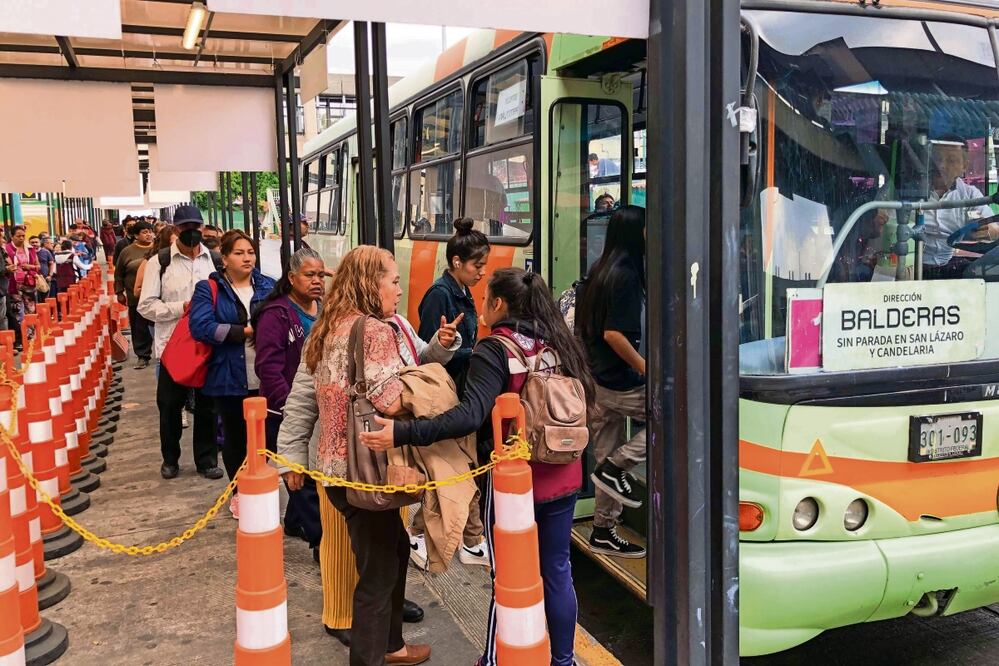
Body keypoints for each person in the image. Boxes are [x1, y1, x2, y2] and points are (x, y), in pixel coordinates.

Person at [360, 267, 595, 666]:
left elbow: (469, 416)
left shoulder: (497, 349)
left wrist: (403, 432)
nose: (482, 305)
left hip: (514, 485)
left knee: (507, 578)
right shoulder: (560, 343)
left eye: (486, 298)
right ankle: (564, 660)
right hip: (566, 474)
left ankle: (492, 659)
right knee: (558, 570)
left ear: (499, 304)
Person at [300, 245, 430, 666]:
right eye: (394, 280)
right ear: (371, 284)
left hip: (336, 469)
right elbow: (389, 400)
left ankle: (393, 646)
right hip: (366, 470)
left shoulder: (330, 325)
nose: (399, 289)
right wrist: (430, 392)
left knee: (393, 550)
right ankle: (374, 655)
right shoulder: (373, 330)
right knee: (377, 574)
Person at [575, 205, 647, 558]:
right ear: (636, 233)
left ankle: (603, 530)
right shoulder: (627, 275)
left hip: (598, 380)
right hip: (621, 382)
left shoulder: (600, 270)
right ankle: (619, 465)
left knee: (604, 452)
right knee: (676, 419)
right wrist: (645, 367)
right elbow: (614, 334)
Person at [189, 229, 275, 517]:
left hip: (265, 376)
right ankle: (239, 492)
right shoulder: (209, 288)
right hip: (228, 376)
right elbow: (201, 327)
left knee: (267, 438)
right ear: (224, 258)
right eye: (239, 253)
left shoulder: (267, 285)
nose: (247, 258)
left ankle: (263, 487)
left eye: (250, 252)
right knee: (236, 438)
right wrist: (244, 332)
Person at [138, 205, 224, 481]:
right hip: (172, 348)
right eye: (186, 227)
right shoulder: (160, 262)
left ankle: (206, 460)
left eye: (195, 227)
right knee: (169, 407)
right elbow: (145, 306)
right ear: (176, 229)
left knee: (208, 407)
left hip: (207, 346)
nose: (191, 232)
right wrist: (182, 308)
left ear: (202, 227)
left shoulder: (215, 261)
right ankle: (170, 459)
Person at [252, 246, 325, 535]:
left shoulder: (324, 308)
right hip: (283, 409)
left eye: (321, 274)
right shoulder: (276, 314)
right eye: (309, 275)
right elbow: (268, 368)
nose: (317, 280)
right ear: (292, 278)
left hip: (315, 406)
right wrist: (290, 405)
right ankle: (319, 537)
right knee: (300, 475)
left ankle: (295, 523)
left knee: (306, 469)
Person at [417, 218, 490, 396]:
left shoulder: (463, 288)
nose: (483, 272)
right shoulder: (438, 295)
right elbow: (427, 354)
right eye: (478, 266)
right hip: (445, 389)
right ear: (457, 262)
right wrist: (471, 353)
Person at [921, 138, 999, 279]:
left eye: (951, 160)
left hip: (949, 264)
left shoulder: (970, 195)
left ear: (964, 166)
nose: (941, 165)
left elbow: (994, 228)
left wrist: (988, 231)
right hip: (911, 266)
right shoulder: (909, 191)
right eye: (937, 159)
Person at [114, 221, 156, 369]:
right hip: (135, 296)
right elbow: (118, 273)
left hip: (156, 296)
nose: (149, 234)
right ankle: (142, 356)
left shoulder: (158, 250)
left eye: (150, 231)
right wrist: (119, 292)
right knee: (139, 327)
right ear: (136, 235)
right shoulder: (127, 252)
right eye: (144, 232)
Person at [6, 226, 40, 330]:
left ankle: (32, 333)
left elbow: (38, 266)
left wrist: (30, 267)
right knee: (18, 311)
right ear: (12, 236)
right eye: (18, 236)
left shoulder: (30, 249)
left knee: (31, 310)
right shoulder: (6, 249)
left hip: (29, 284)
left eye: (23, 236)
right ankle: (22, 334)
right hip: (13, 285)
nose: (21, 238)